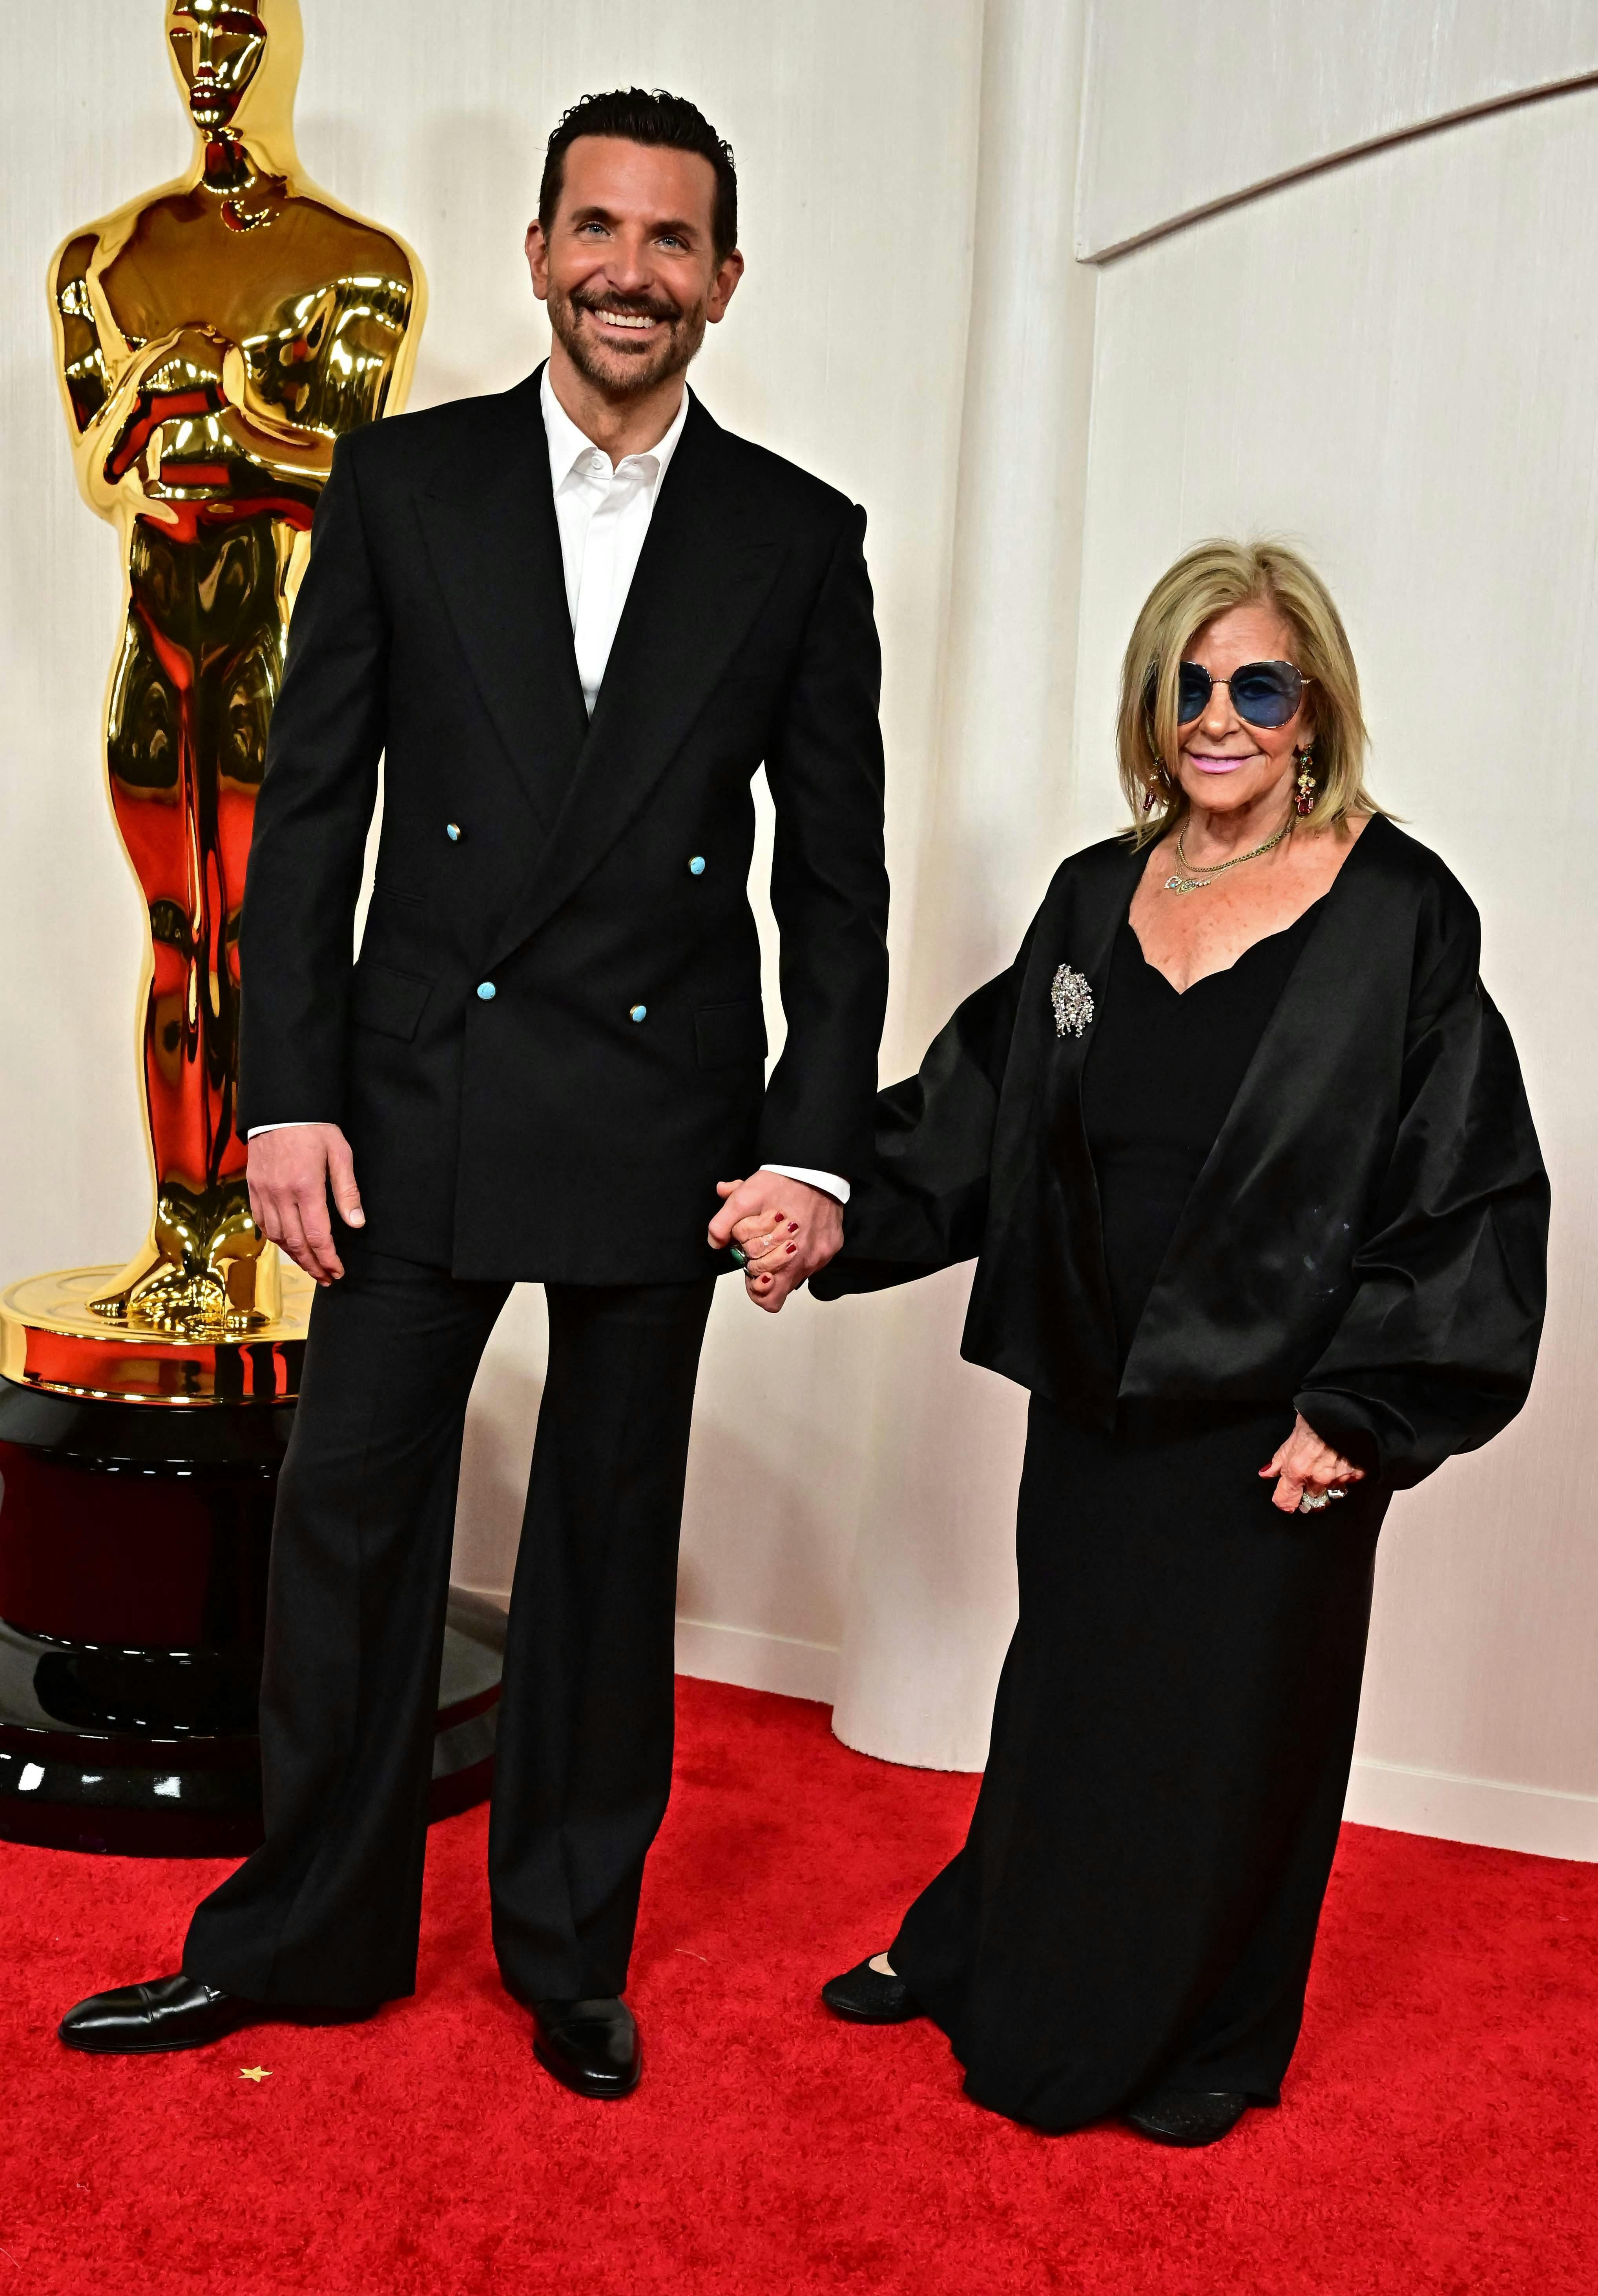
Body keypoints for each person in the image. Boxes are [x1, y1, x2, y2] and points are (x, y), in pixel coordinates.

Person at [58, 88, 889, 2099]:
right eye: (598, 229)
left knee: (608, 1552)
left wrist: (809, 1144)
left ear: (724, 282)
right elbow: (308, 813)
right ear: (535, 255)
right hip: (413, 1094)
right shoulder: (403, 486)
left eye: (673, 241)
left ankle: (566, 1951)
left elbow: (836, 878)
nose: (633, 270)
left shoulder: (796, 536)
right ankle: (301, 1937)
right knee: (349, 1537)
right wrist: (286, 1096)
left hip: (660, 1117)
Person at [740, 539, 1547, 2145]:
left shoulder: (1400, 911)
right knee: (1069, 1692)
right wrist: (828, 1201)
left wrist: (1368, 1403)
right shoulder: (1097, 892)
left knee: (1234, 1726)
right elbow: (980, 1108)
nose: (1220, 716)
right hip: (1096, 1387)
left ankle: (1208, 2037)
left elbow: (1465, 1175)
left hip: (1278, 1411)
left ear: (1311, 706)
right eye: (1189, 684)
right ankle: (993, 1946)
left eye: (1256, 683)